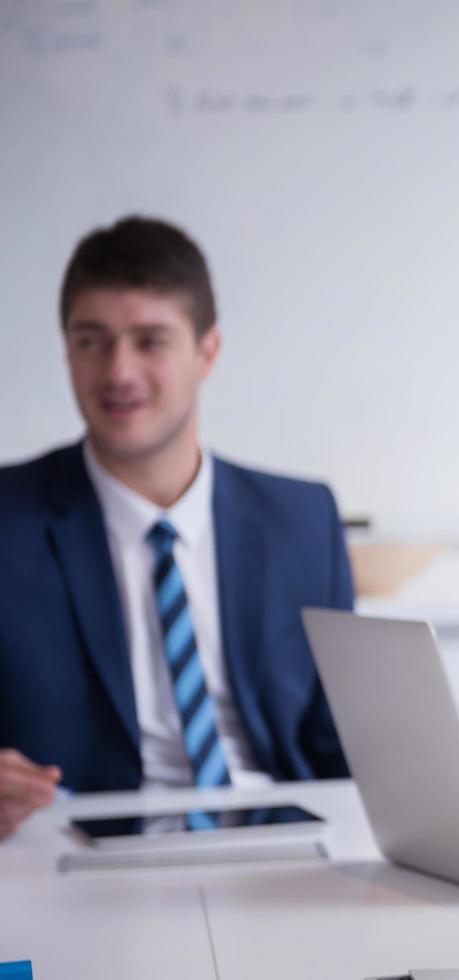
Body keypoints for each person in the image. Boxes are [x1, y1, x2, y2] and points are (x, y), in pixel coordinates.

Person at [0, 216, 353, 841]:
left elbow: (344, 746)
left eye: (150, 341)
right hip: (78, 861)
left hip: (278, 852)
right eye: (92, 340)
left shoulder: (302, 520)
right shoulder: (10, 516)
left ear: (206, 352)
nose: (118, 373)